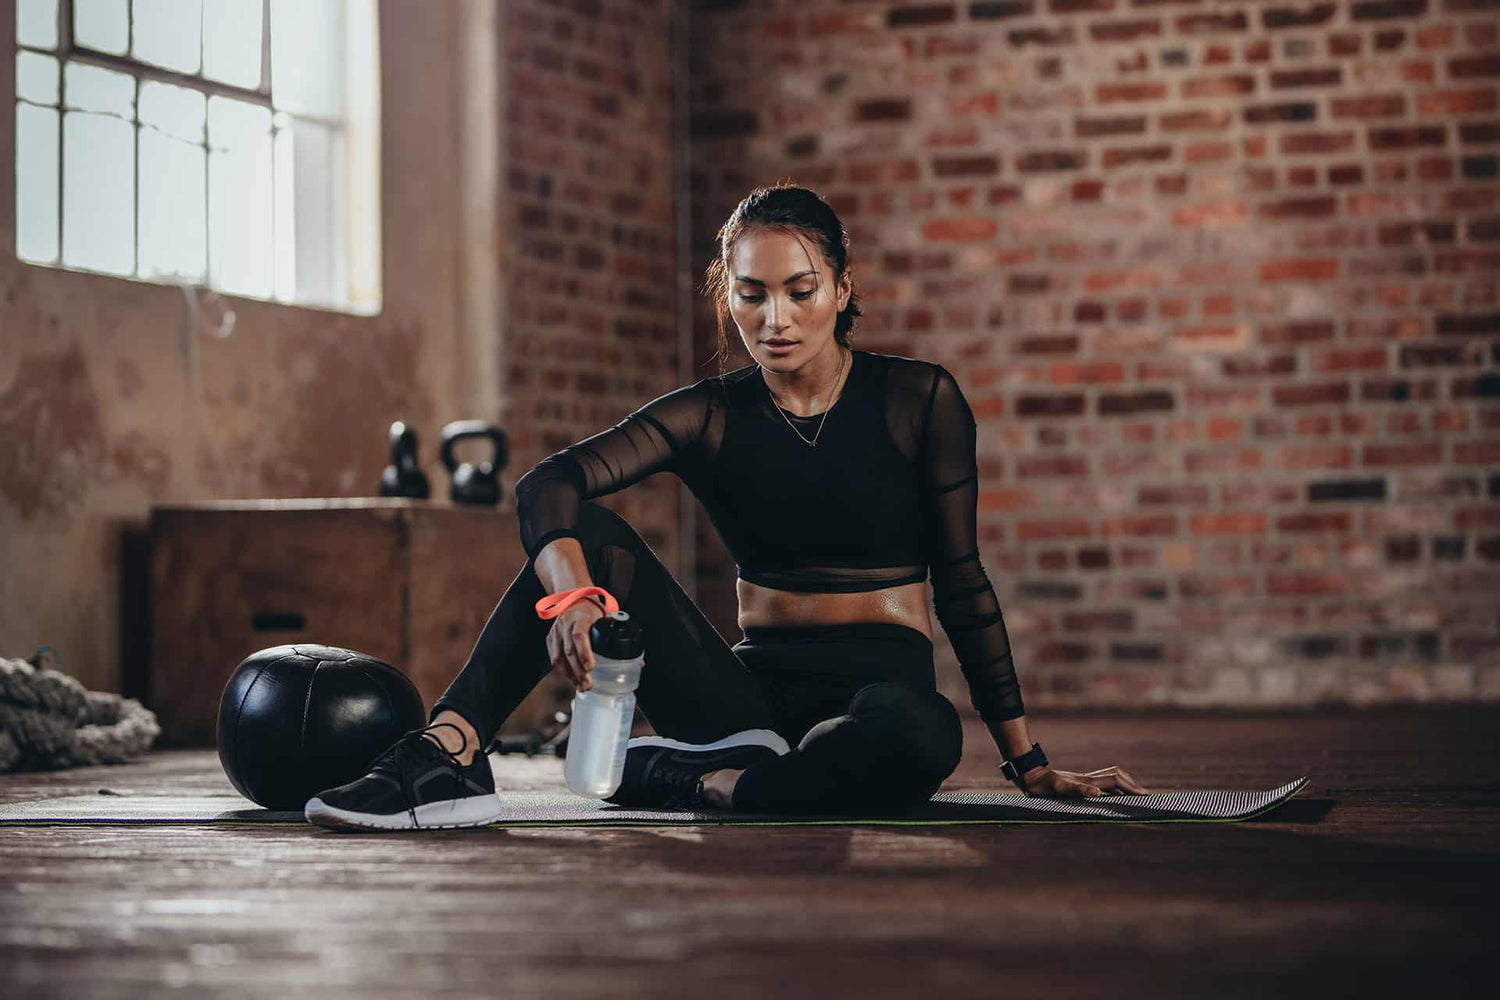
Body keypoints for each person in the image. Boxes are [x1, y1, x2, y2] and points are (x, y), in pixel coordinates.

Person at [305, 184, 1147, 831]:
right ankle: (448, 754)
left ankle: (691, 781)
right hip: (743, 704)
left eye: (800, 290)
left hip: (878, 697)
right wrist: (574, 592)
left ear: (844, 287)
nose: (774, 320)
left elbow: (962, 584)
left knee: (926, 734)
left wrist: (1028, 763)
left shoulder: (919, 400)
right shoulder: (709, 414)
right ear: (728, 293)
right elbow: (549, 483)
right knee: (588, 538)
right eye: (751, 295)